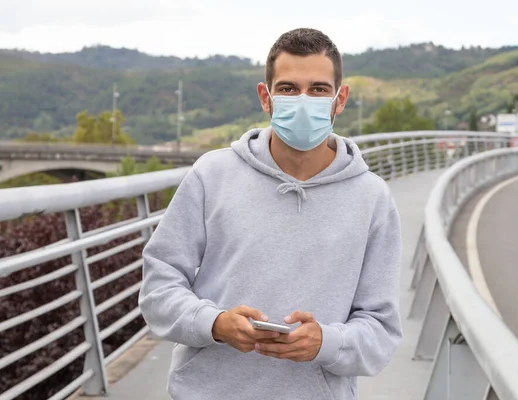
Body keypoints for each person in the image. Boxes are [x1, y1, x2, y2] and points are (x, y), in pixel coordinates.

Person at [139, 28, 402, 400]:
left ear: (339, 100)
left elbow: (381, 330)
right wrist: (214, 323)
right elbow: (158, 288)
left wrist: (327, 342)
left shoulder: (372, 198)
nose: (303, 100)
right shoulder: (211, 175)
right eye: (289, 88)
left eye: (318, 89)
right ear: (266, 97)